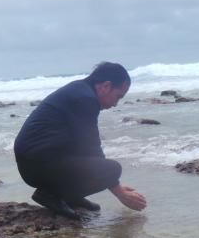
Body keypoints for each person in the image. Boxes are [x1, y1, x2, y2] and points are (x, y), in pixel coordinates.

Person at [14, 62, 147, 219]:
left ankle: (68, 196)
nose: (115, 103)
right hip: (39, 166)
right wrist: (119, 191)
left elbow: (80, 144)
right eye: (118, 96)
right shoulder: (85, 99)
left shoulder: (79, 90)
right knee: (112, 169)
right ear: (106, 86)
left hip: (35, 164)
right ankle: (50, 195)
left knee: (102, 167)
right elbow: (91, 147)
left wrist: (112, 183)